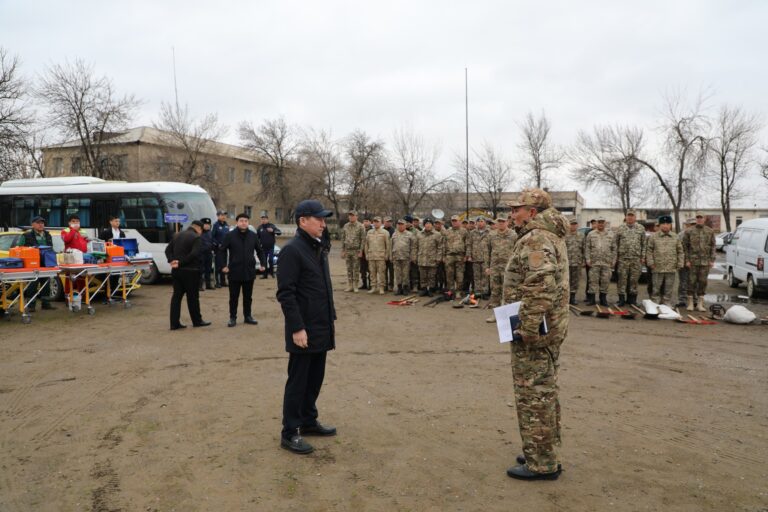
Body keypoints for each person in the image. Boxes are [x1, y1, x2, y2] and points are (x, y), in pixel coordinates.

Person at [503, 188, 568, 481]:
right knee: (544, 392)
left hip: (535, 333)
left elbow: (540, 286)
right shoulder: (545, 236)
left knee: (534, 395)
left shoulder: (537, 239)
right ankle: (542, 449)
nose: (512, 214)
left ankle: (542, 463)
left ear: (532, 212)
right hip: (545, 329)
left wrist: (526, 330)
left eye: (516, 209)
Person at [277, 199, 337, 455]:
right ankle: (290, 432)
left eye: (324, 219)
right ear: (303, 221)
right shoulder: (292, 250)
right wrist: (297, 328)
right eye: (319, 219)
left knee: (315, 378)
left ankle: (308, 420)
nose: (323, 223)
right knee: (299, 381)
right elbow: (286, 293)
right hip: (304, 329)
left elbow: (321, 287)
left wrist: (330, 317)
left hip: (321, 325)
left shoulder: (317, 247)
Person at [221, 213, 265, 327]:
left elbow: (260, 250)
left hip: (249, 271)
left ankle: (248, 316)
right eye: (241, 221)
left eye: (246, 221)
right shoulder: (230, 235)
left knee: (248, 297)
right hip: (234, 271)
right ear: (237, 222)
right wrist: (223, 265)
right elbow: (222, 250)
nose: (243, 223)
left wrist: (263, 264)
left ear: (248, 223)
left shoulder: (253, 236)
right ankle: (232, 317)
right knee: (233, 297)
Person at [165, 220, 211, 330]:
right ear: (198, 228)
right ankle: (197, 321)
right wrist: (180, 263)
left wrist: (172, 261)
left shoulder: (177, 235)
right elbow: (194, 254)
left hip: (177, 271)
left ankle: (174, 323)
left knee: (176, 297)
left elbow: (167, 250)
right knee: (193, 298)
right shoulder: (196, 237)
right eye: (201, 231)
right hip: (191, 271)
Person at [484, 215, 517, 322]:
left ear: (507, 222)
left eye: (503, 221)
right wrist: (487, 267)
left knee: (508, 292)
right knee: (495, 292)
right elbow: (487, 251)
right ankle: (495, 315)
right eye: (499, 222)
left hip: (508, 268)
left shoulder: (513, 235)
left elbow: (517, 251)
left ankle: (507, 316)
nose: (501, 223)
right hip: (495, 268)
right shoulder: (491, 235)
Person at [19, 216, 55, 311]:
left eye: (42, 223)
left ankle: (46, 304)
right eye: (38, 223)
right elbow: (20, 248)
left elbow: (51, 248)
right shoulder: (26, 235)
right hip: (32, 264)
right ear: (33, 224)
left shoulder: (47, 235)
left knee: (46, 284)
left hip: (45, 263)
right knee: (32, 285)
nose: (41, 224)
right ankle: (31, 306)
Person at [646, 216, 684, 305]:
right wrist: (651, 263)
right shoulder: (653, 237)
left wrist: (680, 263)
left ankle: (666, 302)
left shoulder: (675, 237)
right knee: (656, 287)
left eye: (668, 224)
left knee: (669, 288)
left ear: (670, 225)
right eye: (663, 224)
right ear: (659, 225)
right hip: (657, 267)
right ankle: (655, 302)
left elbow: (680, 251)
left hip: (671, 267)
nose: (665, 225)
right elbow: (649, 251)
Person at [683, 212, 716, 312]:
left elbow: (713, 246)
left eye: (701, 217)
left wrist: (712, 260)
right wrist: (687, 260)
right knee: (691, 282)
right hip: (692, 261)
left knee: (703, 282)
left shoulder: (710, 231)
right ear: (696, 219)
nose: (699, 219)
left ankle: (700, 304)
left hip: (705, 262)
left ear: (704, 219)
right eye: (697, 217)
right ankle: (690, 303)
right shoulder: (689, 231)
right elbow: (685, 247)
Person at [614, 209, 646, 306]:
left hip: (636, 259)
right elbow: (615, 244)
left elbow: (644, 244)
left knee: (634, 280)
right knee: (622, 280)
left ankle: (632, 300)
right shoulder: (620, 228)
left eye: (632, 216)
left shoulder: (641, 228)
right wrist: (615, 257)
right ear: (626, 217)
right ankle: (621, 300)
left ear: (635, 217)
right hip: (623, 259)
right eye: (628, 215)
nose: (630, 217)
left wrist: (643, 257)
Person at [584, 217, 616, 306]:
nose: (601, 224)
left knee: (605, 281)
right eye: (599, 222)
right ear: (596, 223)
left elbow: (614, 248)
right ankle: (592, 299)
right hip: (594, 262)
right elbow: (587, 248)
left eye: (602, 222)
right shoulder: (591, 234)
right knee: (592, 281)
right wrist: (587, 259)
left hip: (606, 262)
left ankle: (603, 299)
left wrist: (613, 260)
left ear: (605, 223)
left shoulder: (611, 234)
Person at [363, 216, 391, 295]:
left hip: (380, 256)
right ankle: (373, 287)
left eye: (377, 222)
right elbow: (366, 244)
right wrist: (366, 254)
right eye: (374, 222)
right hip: (371, 256)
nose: (376, 223)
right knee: (372, 273)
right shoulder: (369, 232)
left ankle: (381, 287)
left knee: (381, 273)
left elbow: (388, 245)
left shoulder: (385, 232)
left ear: (381, 223)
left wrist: (387, 255)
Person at [340, 210, 365, 293]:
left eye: (353, 215)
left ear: (356, 216)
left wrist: (361, 251)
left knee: (356, 269)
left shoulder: (360, 226)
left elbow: (363, 239)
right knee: (349, 268)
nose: (351, 217)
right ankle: (350, 285)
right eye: (350, 216)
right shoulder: (346, 226)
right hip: (348, 250)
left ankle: (355, 285)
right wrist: (343, 250)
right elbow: (343, 238)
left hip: (356, 251)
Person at [443, 215, 469, 296]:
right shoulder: (447, 231)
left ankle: (458, 291)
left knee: (460, 275)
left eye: (456, 221)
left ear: (459, 222)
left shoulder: (464, 231)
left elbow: (468, 244)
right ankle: (451, 291)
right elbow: (443, 244)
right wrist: (443, 256)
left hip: (460, 256)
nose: (454, 222)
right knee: (449, 274)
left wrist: (467, 255)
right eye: (453, 221)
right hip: (449, 256)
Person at [390, 219, 416, 295]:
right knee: (397, 274)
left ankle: (405, 288)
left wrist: (413, 256)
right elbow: (391, 246)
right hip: (396, 257)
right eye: (399, 224)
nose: (400, 226)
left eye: (402, 224)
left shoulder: (410, 234)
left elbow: (413, 247)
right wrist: (391, 256)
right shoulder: (394, 234)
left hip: (406, 257)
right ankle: (399, 288)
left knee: (405, 274)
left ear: (405, 225)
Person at [416, 219, 441, 296]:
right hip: (422, 258)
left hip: (432, 259)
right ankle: (424, 289)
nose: (428, 225)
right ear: (424, 225)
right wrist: (414, 257)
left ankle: (430, 289)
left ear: (432, 225)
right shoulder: (419, 234)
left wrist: (438, 257)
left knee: (431, 276)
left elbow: (440, 247)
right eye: (426, 223)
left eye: (430, 223)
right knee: (422, 275)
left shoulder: (437, 234)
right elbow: (415, 247)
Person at [468, 217, 491, 298]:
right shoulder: (472, 233)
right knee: (476, 276)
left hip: (485, 257)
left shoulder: (489, 232)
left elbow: (491, 245)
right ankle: (477, 292)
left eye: (482, 221)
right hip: (475, 257)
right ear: (476, 223)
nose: (480, 223)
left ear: (485, 223)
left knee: (485, 276)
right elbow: (469, 244)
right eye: (478, 221)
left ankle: (485, 292)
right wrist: (469, 255)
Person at [565, 217, 585, 305]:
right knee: (566, 280)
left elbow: (584, 248)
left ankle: (572, 298)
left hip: (577, 262)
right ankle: (565, 298)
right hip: (566, 262)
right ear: (569, 225)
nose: (573, 226)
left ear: (577, 225)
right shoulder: (565, 235)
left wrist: (584, 260)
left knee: (575, 281)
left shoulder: (581, 235)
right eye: (572, 224)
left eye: (575, 224)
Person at [676, 218, 696, 306]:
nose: (692, 226)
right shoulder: (680, 235)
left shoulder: (698, 234)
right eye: (690, 224)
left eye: (694, 224)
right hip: (683, 262)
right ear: (686, 225)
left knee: (694, 282)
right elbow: (677, 248)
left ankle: (694, 300)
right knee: (683, 281)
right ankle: (682, 300)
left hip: (695, 262)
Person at [256, 214, 282, 279]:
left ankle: (272, 273)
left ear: (267, 220)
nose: (263, 220)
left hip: (271, 247)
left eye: (265, 219)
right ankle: (265, 275)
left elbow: (279, 232)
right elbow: (257, 237)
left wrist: (273, 231)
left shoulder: (272, 226)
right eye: (262, 219)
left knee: (270, 260)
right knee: (264, 261)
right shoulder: (259, 228)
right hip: (263, 247)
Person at [212, 210, 230, 288]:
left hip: (225, 249)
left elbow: (228, 236)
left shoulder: (226, 225)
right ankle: (217, 282)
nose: (223, 217)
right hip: (218, 249)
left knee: (224, 265)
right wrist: (217, 244)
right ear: (218, 216)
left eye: (225, 215)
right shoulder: (215, 225)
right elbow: (212, 237)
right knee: (218, 266)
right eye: (222, 215)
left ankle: (223, 281)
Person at [199, 218, 214, 291]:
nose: (207, 226)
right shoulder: (199, 232)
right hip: (201, 254)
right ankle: (200, 285)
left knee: (208, 270)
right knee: (201, 270)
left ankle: (208, 285)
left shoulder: (210, 232)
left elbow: (212, 241)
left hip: (209, 253)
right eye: (205, 224)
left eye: (208, 224)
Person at [359, 218, 372, 290]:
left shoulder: (372, 230)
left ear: (370, 222)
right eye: (364, 221)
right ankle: (364, 284)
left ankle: (370, 284)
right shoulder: (360, 230)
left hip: (370, 253)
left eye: (367, 221)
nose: (365, 223)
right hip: (362, 253)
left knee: (370, 270)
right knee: (362, 270)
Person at [383, 217, 395, 291]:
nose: (388, 223)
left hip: (391, 253)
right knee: (384, 270)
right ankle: (385, 285)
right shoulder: (381, 230)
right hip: (383, 253)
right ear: (384, 222)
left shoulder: (394, 231)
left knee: (391, 271)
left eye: (390, 221)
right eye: (387, 221)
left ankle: (391, 285)